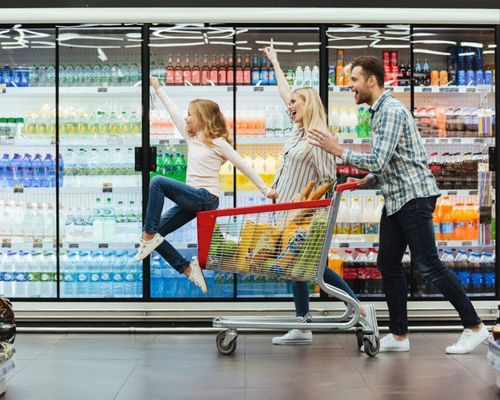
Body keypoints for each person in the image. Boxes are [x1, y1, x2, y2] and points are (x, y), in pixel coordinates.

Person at [307, 55, 489, 354]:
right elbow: (391, 164)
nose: (349, 85)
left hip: (413, 197)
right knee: (388, 263)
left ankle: (475, 326)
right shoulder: (378, 112)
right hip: (397, 197)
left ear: (371, 80)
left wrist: (338, 149)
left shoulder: (389, 110)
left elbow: (379, 159)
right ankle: (399, 335)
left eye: (354, 79)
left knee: (429, 264)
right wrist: (371, 180)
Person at [263, 43, 378, 345]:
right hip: (285, 212)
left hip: (303, 217)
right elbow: (285, 92)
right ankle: (306, 324)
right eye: (290, 103)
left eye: (296, 102)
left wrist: (304, 209)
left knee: (313, 270)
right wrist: (275, 62)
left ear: (309, 104)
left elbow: (328, 179)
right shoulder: (297, 131)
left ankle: (356, 310)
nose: (290, 106)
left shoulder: (318, 136)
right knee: (303, 269)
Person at [135, 77, 278, 294]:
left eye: (190, 114)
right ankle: (186, 267)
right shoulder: (192, 138)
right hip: (192, 199)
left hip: (205, 198)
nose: (186, 117)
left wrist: (265, 189)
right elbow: (173, 112)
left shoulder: (217, 142)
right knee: (156, 235)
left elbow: (242, 164)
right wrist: (157, 87)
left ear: (201, 118)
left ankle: (147, 235)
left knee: (157, 182)